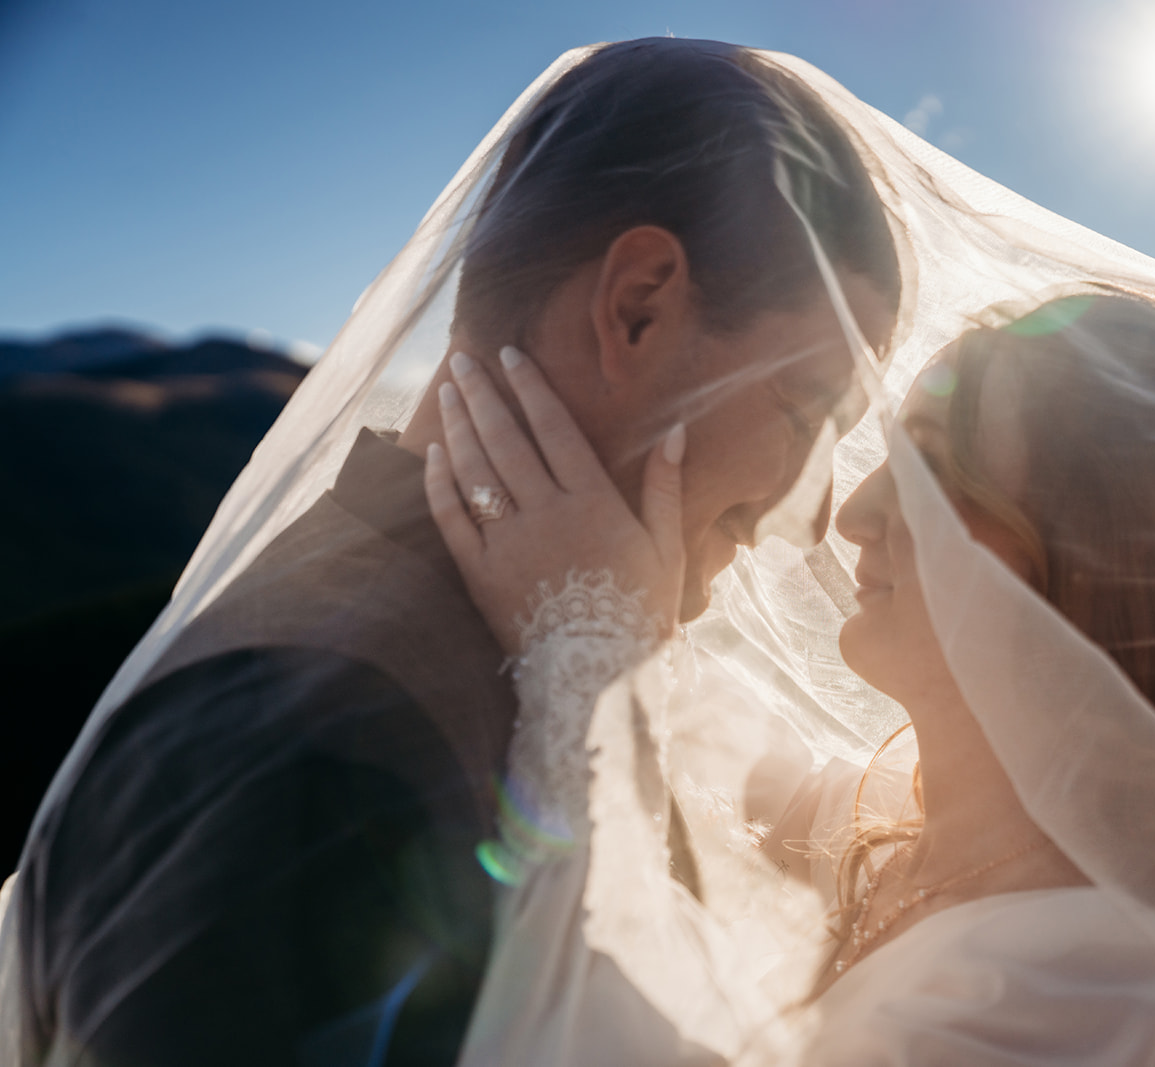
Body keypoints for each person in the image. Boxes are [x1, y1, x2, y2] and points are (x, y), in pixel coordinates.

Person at [0, 38, 898, 1066]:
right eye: (806, 406)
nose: (820, 508)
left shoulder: (534, 647)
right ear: (635, 305)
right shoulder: (320, 727)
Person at [423, 286, 1155, 1065]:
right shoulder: (959, 829)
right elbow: (747, 763)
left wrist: (581, 644)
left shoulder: (1110, 987)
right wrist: (606, 610)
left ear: (1101, 570)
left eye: (933, 475)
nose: (854, 512)